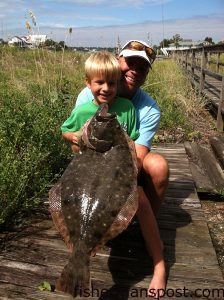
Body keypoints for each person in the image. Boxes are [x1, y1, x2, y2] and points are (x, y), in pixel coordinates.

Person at [71, 40, 170, 298]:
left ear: (147, 75)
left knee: (155, 171)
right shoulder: (90, 94)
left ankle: (155, 254)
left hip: (122, 167)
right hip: (90, 166)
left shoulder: (144, 108)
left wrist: (116, 185)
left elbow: (136, 159)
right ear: (118, 60)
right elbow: (74, 146)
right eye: (130, 62)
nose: (134, 70)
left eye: (142, 67)